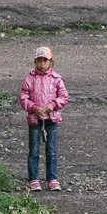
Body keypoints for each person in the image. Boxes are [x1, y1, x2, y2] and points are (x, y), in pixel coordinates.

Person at [19, 46, 70, 191]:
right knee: (34, 149)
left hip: (51, 118)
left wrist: (52, 106)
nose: (42, 63)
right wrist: (33, 107)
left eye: (45, 60)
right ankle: (34, 178)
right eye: (39, 60)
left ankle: (52, 178)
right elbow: (23, 97)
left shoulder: (56, 79)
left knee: (51, 149)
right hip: (35, 118)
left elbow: (64, 97)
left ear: (51, 62)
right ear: (35, 61)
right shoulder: (30, 78)